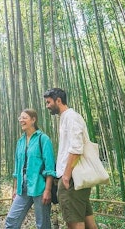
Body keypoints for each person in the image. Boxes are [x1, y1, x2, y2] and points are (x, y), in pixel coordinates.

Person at [43, 88, 98, 229]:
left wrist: (66, 175)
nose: (47, 106)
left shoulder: (70, 117)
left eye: (48, 102)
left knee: (74, 222)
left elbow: (76, 147)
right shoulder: (65, 118)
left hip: (72, 177)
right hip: (75, 177)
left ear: (58, 100)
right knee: (87, 220)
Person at [5, 108, 56, 229]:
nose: (21, 120)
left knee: (42, 224)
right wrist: (15, 188)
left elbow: (50, 167)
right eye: (20, 118)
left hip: (40, 186)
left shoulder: (43, 139)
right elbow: (17, 167)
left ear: (33, 120)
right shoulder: (20, 141)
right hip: (23, 187)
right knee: (11, 220)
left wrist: (48, 190)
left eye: (24, 118)